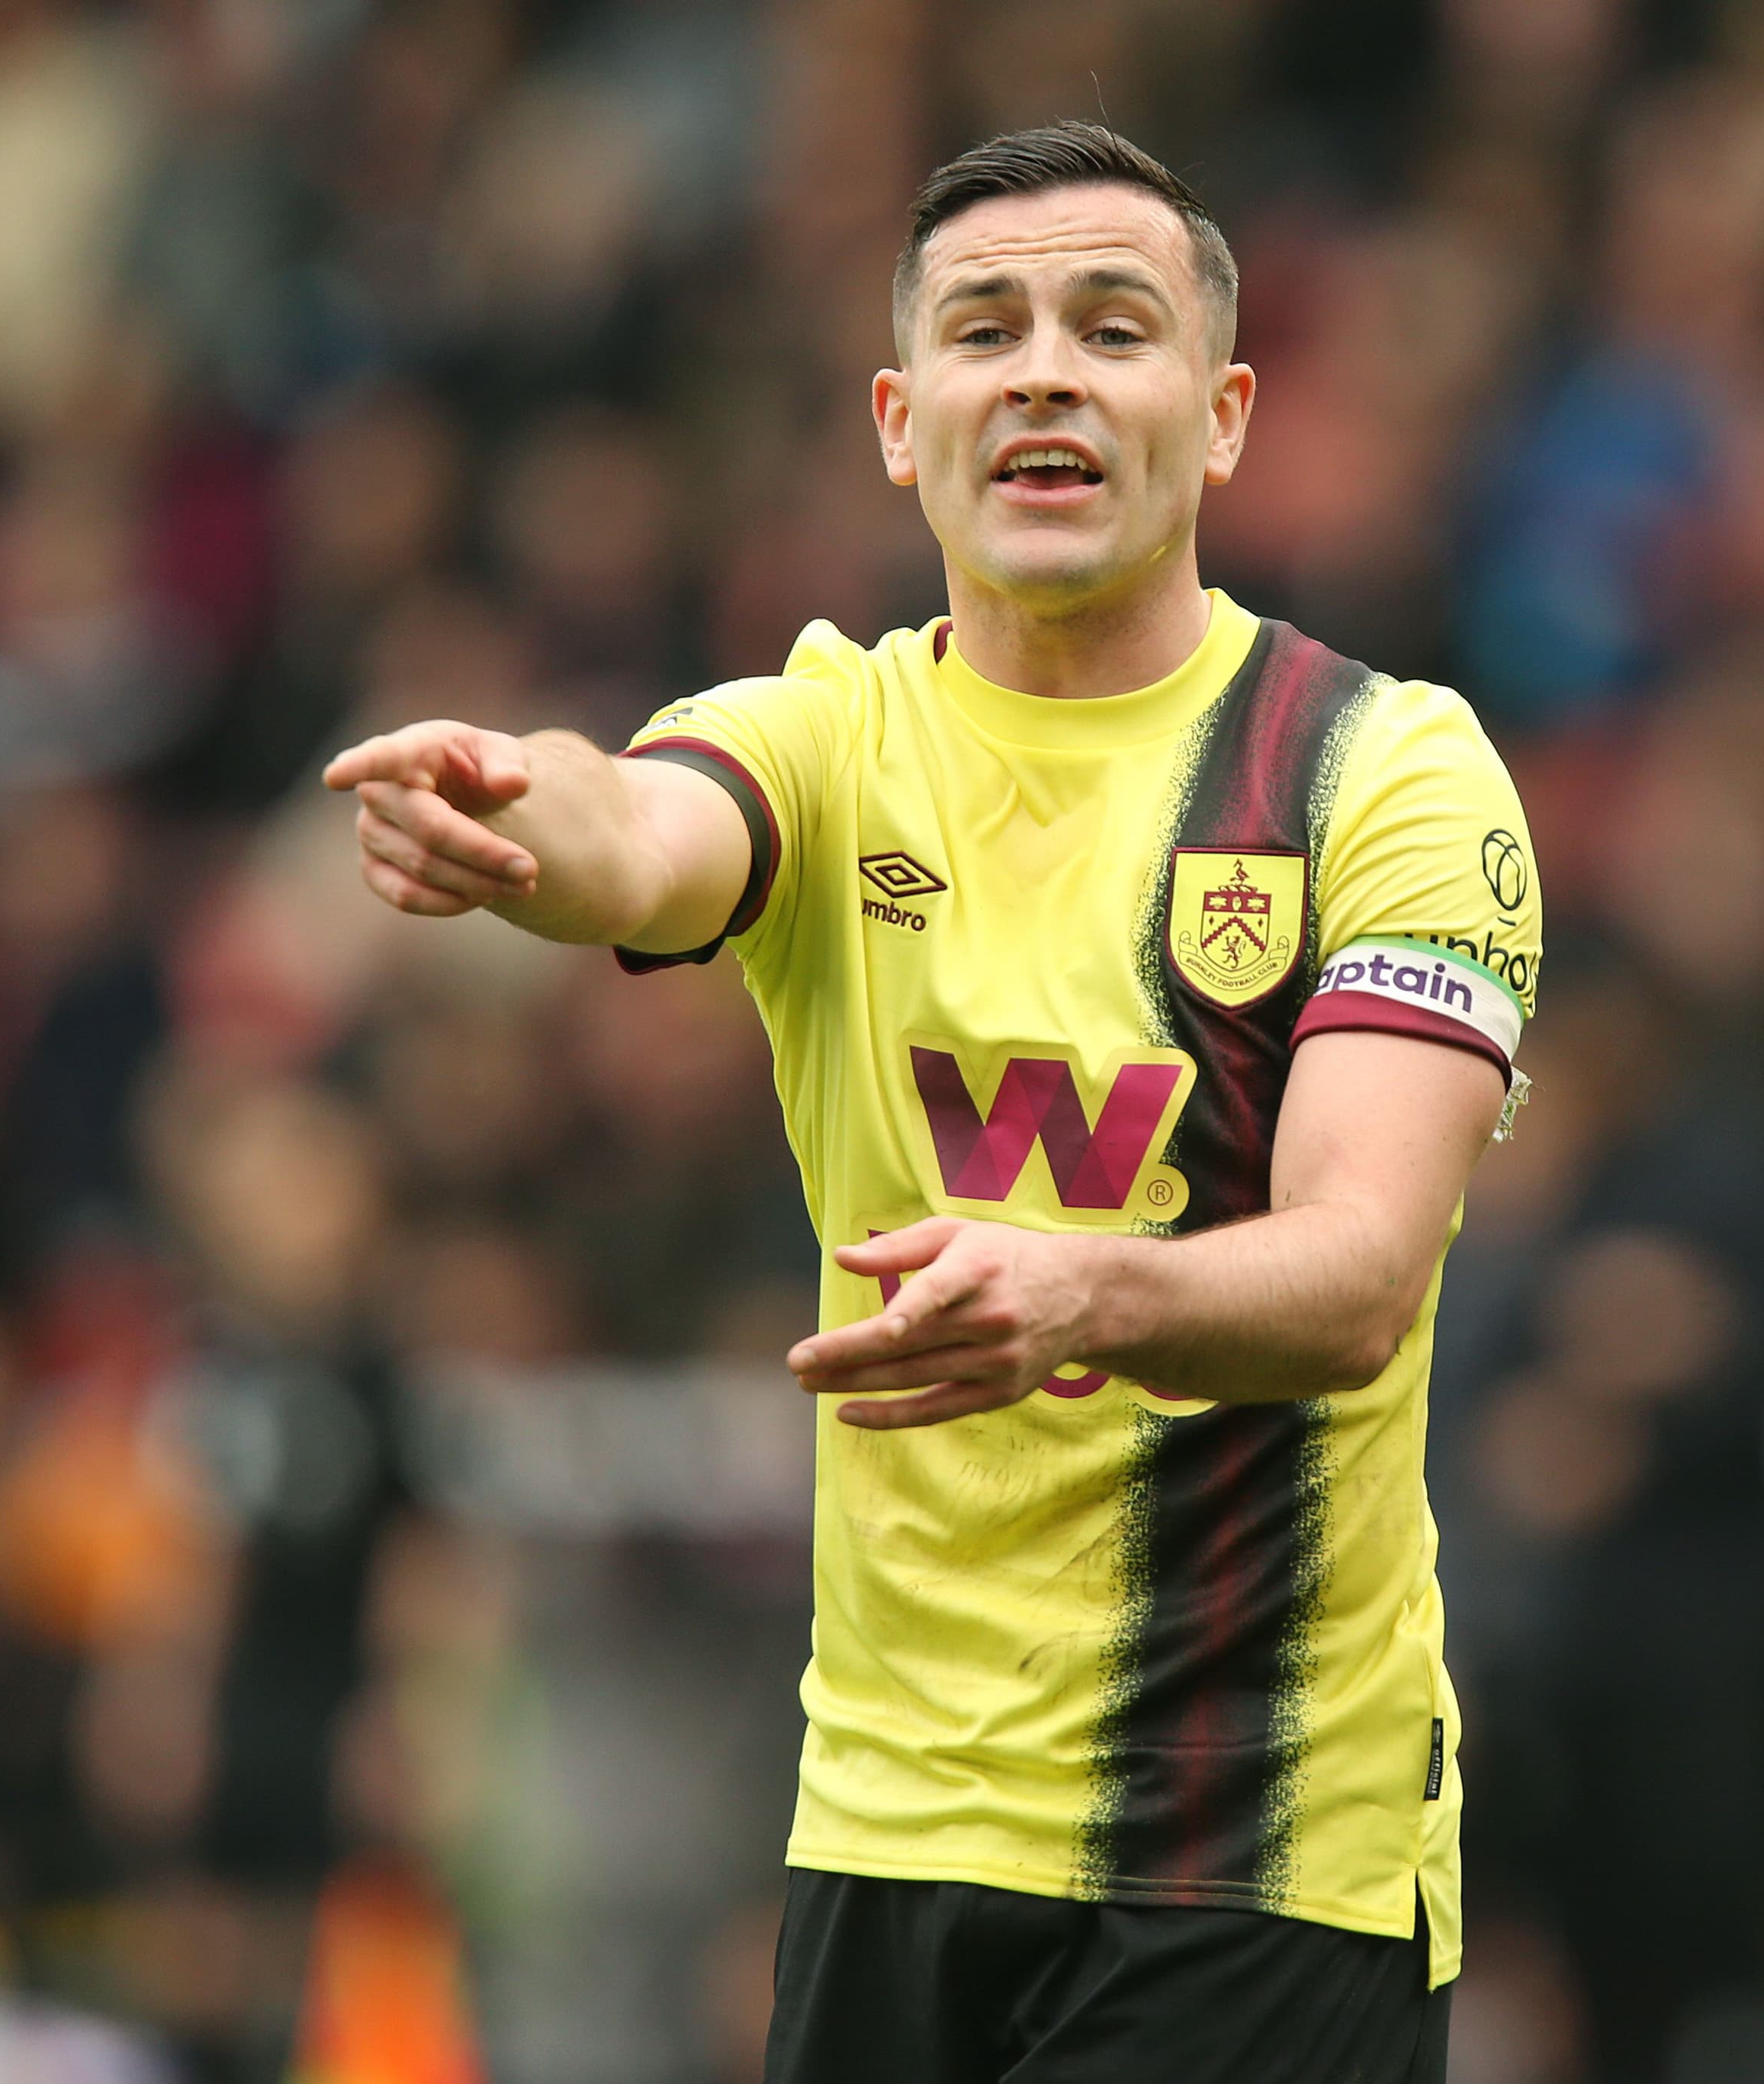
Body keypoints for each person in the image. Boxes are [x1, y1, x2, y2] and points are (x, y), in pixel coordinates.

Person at [328, 122, 1540, 2084]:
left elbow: (1359, 1273)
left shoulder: (1381, 777)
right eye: (986, 330)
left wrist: (1081, 1295)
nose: (1045, 369)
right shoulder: (832, 736)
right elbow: (641, 828)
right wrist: (516, 815)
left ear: (1223, 418)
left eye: (1112, 327)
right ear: (903, 423)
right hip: (885, 1827)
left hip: (1248, 1847)